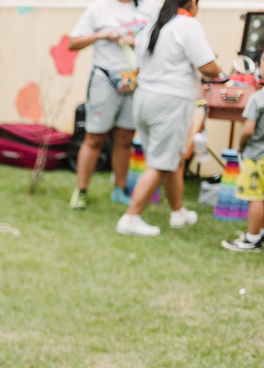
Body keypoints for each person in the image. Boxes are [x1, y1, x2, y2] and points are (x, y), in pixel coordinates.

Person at [116, 0, 221, 236]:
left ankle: (178, 212)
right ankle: (130, 218)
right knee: (161, 161)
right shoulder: (188, 25)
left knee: (171, 156)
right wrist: (220, 69)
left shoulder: (155, 23)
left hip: (144, 98)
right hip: (170, 101)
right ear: (192, 3)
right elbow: (209, 67)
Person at [67, 0, 149, 210]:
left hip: (134, 80)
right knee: (94, 138)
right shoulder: (98, 8)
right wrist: (100, 35)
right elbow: (72, 43)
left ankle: (119, 190)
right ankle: (81, 190)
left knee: (125, 139)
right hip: (104, 79)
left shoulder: (148, 8)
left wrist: (136, 42)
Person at [222, 43, 264, 251]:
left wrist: (241, 146)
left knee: (255, 198)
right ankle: (263, 233)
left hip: (257, 155)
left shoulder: (258, 97)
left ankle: (251, 239)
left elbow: (248, 130)